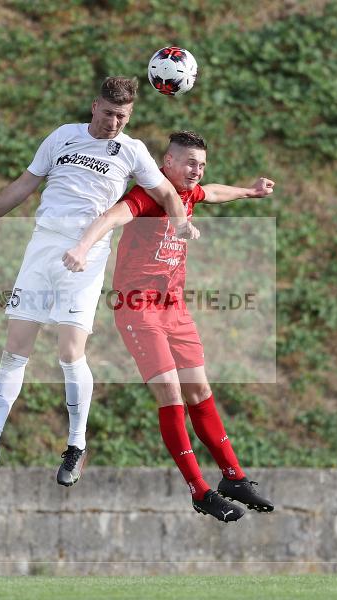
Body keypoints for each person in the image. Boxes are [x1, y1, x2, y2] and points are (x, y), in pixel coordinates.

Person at [0, 77, 199, 486]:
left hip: (87, 255)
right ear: (95, 106)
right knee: (16, 345)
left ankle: (76, 446)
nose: (115, 123)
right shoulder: (63, 137)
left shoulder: (131, 151)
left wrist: (181, 225)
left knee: (69, 349)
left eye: (124, 117)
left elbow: (168, 193)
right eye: (110, 113)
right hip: (42, 249)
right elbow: (23, 187)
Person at [62, 131, 275, 522]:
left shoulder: (189, 195)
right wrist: (81, 247)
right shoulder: (147, 195)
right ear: (168, 162)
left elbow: (213, 192)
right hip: (138, 310)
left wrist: (250, 192)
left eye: (202, 164)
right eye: (190, 163)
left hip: (175, 308)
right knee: (172, 394)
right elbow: (111, 217)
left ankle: (233, 476)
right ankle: (199, 490)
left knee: (200, 390)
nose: (197, 171)